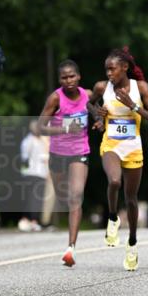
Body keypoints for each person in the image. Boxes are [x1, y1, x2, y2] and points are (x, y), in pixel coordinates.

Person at [89, 47, 148, 271]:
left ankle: (132, 243)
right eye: (106, 70)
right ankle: (112, 218)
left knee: (131, 198)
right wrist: (97, 116)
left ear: (125, 68)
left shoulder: (141, 88)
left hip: (133, 148)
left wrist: (134, 106)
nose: (109, 73)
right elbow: (89, 103)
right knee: (114, 181)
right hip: (111, 144)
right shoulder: (103, 87)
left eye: (112, 69)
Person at [37, 60, 92, 266]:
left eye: (72, 76)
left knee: (76, 197)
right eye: (64, 77)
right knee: (63, 198)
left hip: (80, 152)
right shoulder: (55, 98)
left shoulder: (87, 94)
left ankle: (71, 248)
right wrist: (65, 130)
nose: (68, 80)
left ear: (78, 77)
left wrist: (97, 120)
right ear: (60, 80)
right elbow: (40, 127)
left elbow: (97, 108)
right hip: (58, 154)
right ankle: (67, 230)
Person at [19, 121, 51, 232]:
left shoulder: (38, 141)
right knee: (33, 198)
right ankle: (31, 220)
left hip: (37, 173)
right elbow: (25, 158)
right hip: (33, 173)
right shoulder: (30, 141)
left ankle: (31, 220)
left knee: (34, 198)